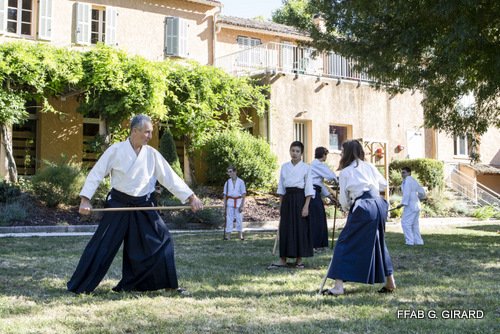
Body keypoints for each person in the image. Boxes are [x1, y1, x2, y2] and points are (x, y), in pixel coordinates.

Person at [67, 114, 203, 294]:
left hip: (143, 204)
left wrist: (191, 197)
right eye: (147, 132)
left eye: (151, 132)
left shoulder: (151, 154)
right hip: (118, 204)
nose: (149, 136)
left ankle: (167, 284)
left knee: (163, 239)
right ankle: (80, 286)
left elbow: (169, 177)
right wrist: (85, 199)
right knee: (103, 245)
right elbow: (97, 173)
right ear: (134, 131)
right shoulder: (116, 150)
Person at [323, 140, 396, 295]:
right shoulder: (369, 166)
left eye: (342, 151)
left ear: (347, 153)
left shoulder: (345, 172)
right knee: (378, 241)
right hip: (379, 204)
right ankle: (390, 283)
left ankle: (338, 286)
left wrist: (349, 207)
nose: (341, 154)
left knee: (344, 242)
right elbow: (383, 184)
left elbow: (343, 199)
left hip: (363, 206)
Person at [268, 141, 314, 269]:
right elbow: (281, 187)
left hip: (300, 198)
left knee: (300, 228)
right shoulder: (285, 167)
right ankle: (283, 259)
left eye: (297, 151)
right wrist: (281, 205)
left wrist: (306, 206)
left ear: (301, 153)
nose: (294, 153)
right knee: (285, 228)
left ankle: (299, 260)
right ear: (290, 151)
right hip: (287, 199)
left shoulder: (306, 168)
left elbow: (309, 188)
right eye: (293, 150)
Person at [309, 147, 338, 251]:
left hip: (315, 192)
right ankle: (315, 245)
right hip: (312, 194)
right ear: (324, 154)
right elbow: (330, 175)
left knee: (320, 218)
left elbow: (320, 184)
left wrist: (330, 196)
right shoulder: (317, 164)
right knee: (316, 219)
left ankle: (321, 244)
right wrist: (336, 179)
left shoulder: (315, 165)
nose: (326, 157)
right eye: (326, 154)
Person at [397, 167, 426, 246]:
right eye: (402, 173)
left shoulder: (408, 180)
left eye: (404, 172)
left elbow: (406, 193)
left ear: (409, 173)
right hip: (416, 204)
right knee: (414, 224)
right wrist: (420, 197)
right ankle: (418, 241)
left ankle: (410, 241)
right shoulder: (413, 180)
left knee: (405, 223)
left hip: (410, 205)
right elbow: (422, 191)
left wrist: (402, 204)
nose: (402, 174)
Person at [223, 165, 246, 240]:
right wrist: (224, 204)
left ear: (235, 172)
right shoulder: (227, 182)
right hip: (230, 202)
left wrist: (242, 205)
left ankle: (240, 235)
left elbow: (243, 194)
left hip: (238, 201)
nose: (229, 173)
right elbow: (225, 194)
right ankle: (228, 236)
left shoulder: (241, 182)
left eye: (230, 171)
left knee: (239, 218)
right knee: (229, 219)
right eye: (228, 172)